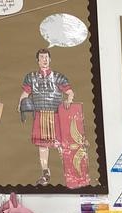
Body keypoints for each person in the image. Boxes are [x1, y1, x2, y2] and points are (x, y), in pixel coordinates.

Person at [18, 48, 74, 186]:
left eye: (46, 57)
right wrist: (20, 104)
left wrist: (69, 100)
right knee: (43, 146)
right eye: (42, 57)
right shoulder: (31, 77)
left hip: (55, 115)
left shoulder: (58, 77)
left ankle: (70, 170)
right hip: (40, 115)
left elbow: (70, 92)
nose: (44, 59)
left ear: (50, 59)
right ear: (38, 60)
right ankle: (45, 173)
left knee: (60, 143)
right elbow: (25, 94)